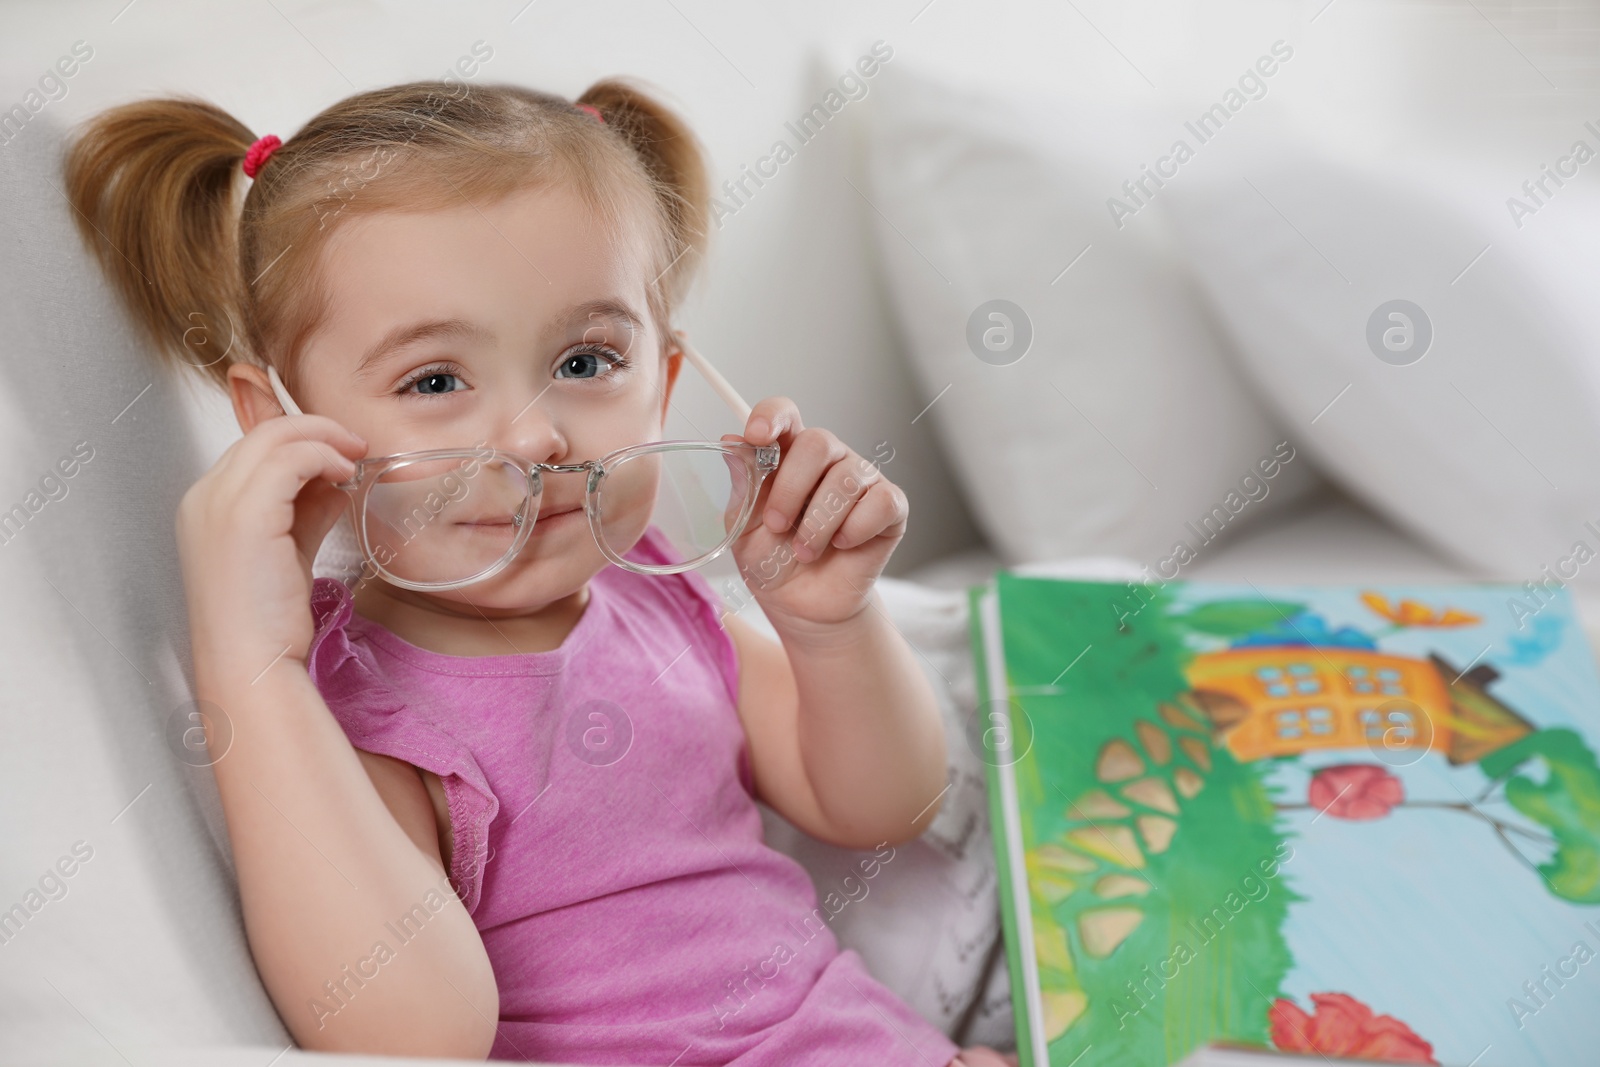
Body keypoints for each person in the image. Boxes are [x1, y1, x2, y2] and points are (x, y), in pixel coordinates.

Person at [63, 77, 1017, 1067]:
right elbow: (411, 1032)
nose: (535, 435)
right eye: (434, 380)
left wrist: (829, 623)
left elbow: (882, 803)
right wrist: (250, 667)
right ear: (282, 426)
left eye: (587, 360)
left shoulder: (656, 592)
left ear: (667, 384)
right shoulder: (355, 709)